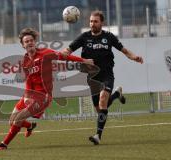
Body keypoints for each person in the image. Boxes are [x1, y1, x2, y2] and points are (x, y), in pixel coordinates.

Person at [0, 28, 93, 151]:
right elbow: (29, 82)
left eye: (31, 40)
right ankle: (30, 126)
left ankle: (4, 144)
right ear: (23, 45)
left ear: (35, 42)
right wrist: (27, 98)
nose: (29, 43)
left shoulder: (45, 53)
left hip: (43, 97)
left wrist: (84, 60)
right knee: (12, 121)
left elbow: (64, 56)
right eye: (26, 41)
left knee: (18, 119)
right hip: (31, 94)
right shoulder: (25, 61)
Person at [61, 10, 143, 145]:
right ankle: (116, 94)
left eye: (95, 21)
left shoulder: (109, 37)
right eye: (91, 21)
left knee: (103, 100)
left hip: (106, 75)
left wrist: (134, 57)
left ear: (102, 23)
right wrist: (65, 52)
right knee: (100, 108)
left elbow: (124, 50)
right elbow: (68, 51)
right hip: (92, 77)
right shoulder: (84, 37)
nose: (92, 24)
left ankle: (98, 136)